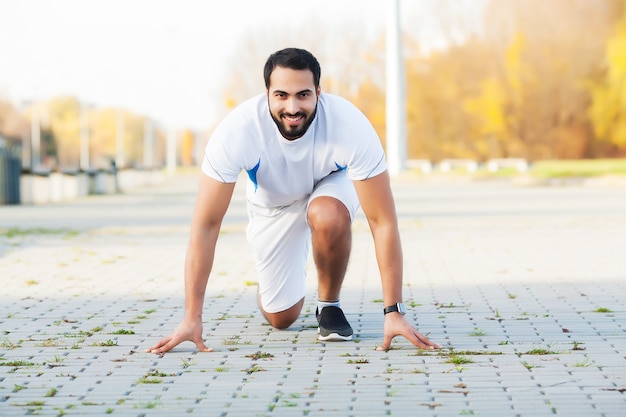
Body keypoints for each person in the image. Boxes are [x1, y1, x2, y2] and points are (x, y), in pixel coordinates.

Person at [146, 47, 440, 354]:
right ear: (267, 94)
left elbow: (383, 222)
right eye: (282, 95)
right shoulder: (237, 131)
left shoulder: (349, 125)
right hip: (273, 205)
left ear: (318, 92)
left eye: (303, 94)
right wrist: (191, 317)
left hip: (329, 186)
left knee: (328, 214)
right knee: (282, 318)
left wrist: (393, 311)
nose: (293, 106)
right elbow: (205, 226)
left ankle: (329, 307)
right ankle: (274, 282)